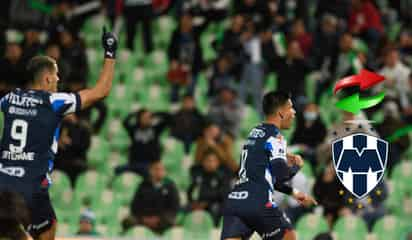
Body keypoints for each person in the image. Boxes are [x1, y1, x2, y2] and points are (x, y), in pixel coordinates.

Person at [0, 27, 117, 240]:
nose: (58, 79)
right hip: (31, 185)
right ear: (46, 79)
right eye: (55, 75)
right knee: (48, 230)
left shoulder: (8, 99)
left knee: (14, 230)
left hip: (3, 181)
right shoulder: (53, 102)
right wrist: (110, 53)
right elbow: (101, 91)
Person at [220, 91, 317, 240]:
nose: (294, 112)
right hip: (258, 201)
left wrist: (295, 193)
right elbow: (282, 176)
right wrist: (297, 166)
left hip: (235, 201)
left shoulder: (255, 132)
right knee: (288, 236)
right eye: (290, 107)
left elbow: (263, 176)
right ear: (280, 113)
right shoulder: (276, 137)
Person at [129, 160, 180, 234]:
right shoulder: (143, 185)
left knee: (171, 224)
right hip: (143, 219)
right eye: (156, 169)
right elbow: (135, 205)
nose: (159, 172)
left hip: (162, 220)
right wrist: (144, 218)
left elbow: (174, 207)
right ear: (150, 171)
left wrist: (158, 219)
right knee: (128, 221)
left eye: (162, 169)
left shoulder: (170, 186)